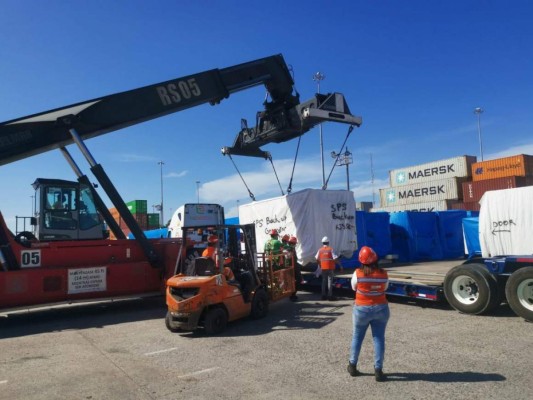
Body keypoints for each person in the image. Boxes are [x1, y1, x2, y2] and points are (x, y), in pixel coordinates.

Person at [347, 246, 390, 382]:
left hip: (362, 309)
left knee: (357, 337)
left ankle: (352, 366)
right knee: (378, 339)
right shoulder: (384, 273)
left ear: (361, 260)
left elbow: (354, 287)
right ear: (375, 259)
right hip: (381, 308)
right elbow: (385, 287)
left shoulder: (357, 273)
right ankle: (378, 370)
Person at [315, 236, 343, 301]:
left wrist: (319, 264)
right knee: (330, 281)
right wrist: (340, 265)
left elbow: (316, 258)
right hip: (330, 268)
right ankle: (330, 296)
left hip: (323, 268)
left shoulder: (320, 250)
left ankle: (323, 295)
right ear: (328, 242)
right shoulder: (330, 249)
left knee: (323, 281)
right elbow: (335, 258)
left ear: (322, 242)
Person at [288, 235, 302, 301]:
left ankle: (293, 294)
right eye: (294, 243)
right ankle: (292, 294)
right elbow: (290, 259)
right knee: (298, 280)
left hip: (293, 267)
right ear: (292, 243)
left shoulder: (291, 249)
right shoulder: (290, 249)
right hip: (293, 267)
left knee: (293, 281)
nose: (295, 245)